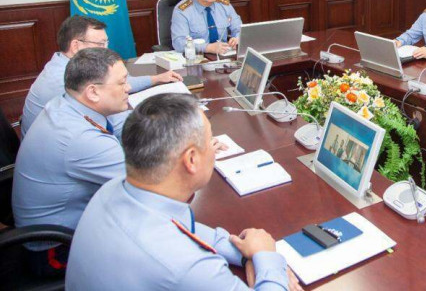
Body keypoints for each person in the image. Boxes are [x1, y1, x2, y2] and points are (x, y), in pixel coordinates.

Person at [66, 94, 299, 291]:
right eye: (210, 141)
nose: (213, 149)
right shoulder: (184, 265)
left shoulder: (114, 188)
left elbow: (188, 228)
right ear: (191, 160)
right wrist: (267, 256)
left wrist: (246, 253)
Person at [12, 48, 132, 276]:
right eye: (122, 82)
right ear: (93, 92)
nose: (129, 87)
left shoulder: (66, 104)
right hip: (55, 250)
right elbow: (147, 186)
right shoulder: (82, 139)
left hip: (60, 224)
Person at [20, 15, 181, 137]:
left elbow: (118, 84)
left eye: (106, 43)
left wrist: (156, 79)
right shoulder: (64, 80)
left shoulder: (67, 65)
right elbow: (115, 124)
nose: (106, 49)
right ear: (76, 46)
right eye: (100, 44)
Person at [171, 0, 243, 54]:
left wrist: (237, 38)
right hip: (197, 56)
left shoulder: (224, 5)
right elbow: (179, 43)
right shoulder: (182, 11)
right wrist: (208, 48)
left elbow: (239, 29)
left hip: (223, 54)